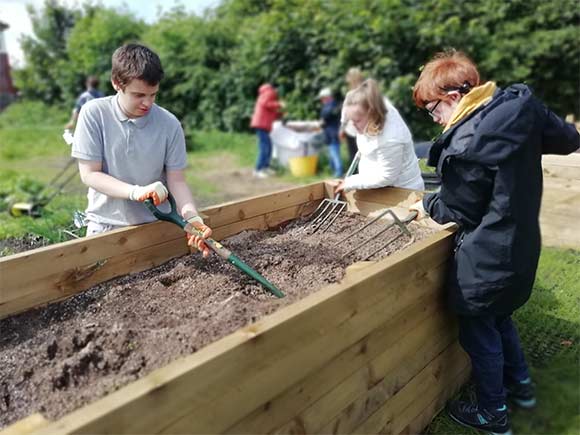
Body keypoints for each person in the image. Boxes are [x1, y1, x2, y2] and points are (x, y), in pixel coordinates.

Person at [410, 50, 580, 435]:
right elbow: (568, 138)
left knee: (478, 330)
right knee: (501, 318)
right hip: (520, 246)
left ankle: (493, 414)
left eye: (432, 108)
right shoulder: (520, 109)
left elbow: (457, 210)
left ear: (454, 98)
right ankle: (520, 388)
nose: (433, 118)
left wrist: (424, 202)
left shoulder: (468, 144)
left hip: (486, 255)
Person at [71, 43, 211, 256]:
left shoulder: (169, 124)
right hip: (105, 225)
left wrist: (191, 216)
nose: (147, 103)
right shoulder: (94, 113)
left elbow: (177, 181)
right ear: (117, 83)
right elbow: (90, 174)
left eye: (153, 94)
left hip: (156, 227)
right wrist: (136, 192)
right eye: (138, 95)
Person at [334, 79, 424, 194]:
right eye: (350, 120)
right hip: (375, 187)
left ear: (372, 114)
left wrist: (351, 182)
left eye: (356, 121)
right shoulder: (364, 103)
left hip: (402, 192)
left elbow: (386, 176)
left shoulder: (391, 137)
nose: (353, 125)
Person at [250, 83, 284, 178]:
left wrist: (280, 115)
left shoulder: (267, 93)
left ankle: (265, 168)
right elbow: (265, 103)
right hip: (261, 124)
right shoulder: (270, 92)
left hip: (262, 124)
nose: (278, 92)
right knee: (264, 147)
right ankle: (258, 170)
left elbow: (269, 110)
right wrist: (279, 104)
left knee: (268, 146)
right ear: (275, 88)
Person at [318, 87, 343, 177]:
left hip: (332, 133)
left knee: (334, 153)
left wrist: (322, 121)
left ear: (327, 97)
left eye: (322, 98)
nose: (322, 100)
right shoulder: (331, 106)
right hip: (330, 133)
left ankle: (338, 172)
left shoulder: (331, 106)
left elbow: (325, 117)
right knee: (332, 154)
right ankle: (334, 171)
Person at [342, 67, 365, 164]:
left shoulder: (350, 94)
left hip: (352, 129)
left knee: (354, 155)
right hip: (366, 128)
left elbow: (345, 114)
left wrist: (342, 128)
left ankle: (356, 175)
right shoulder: (367, 92)